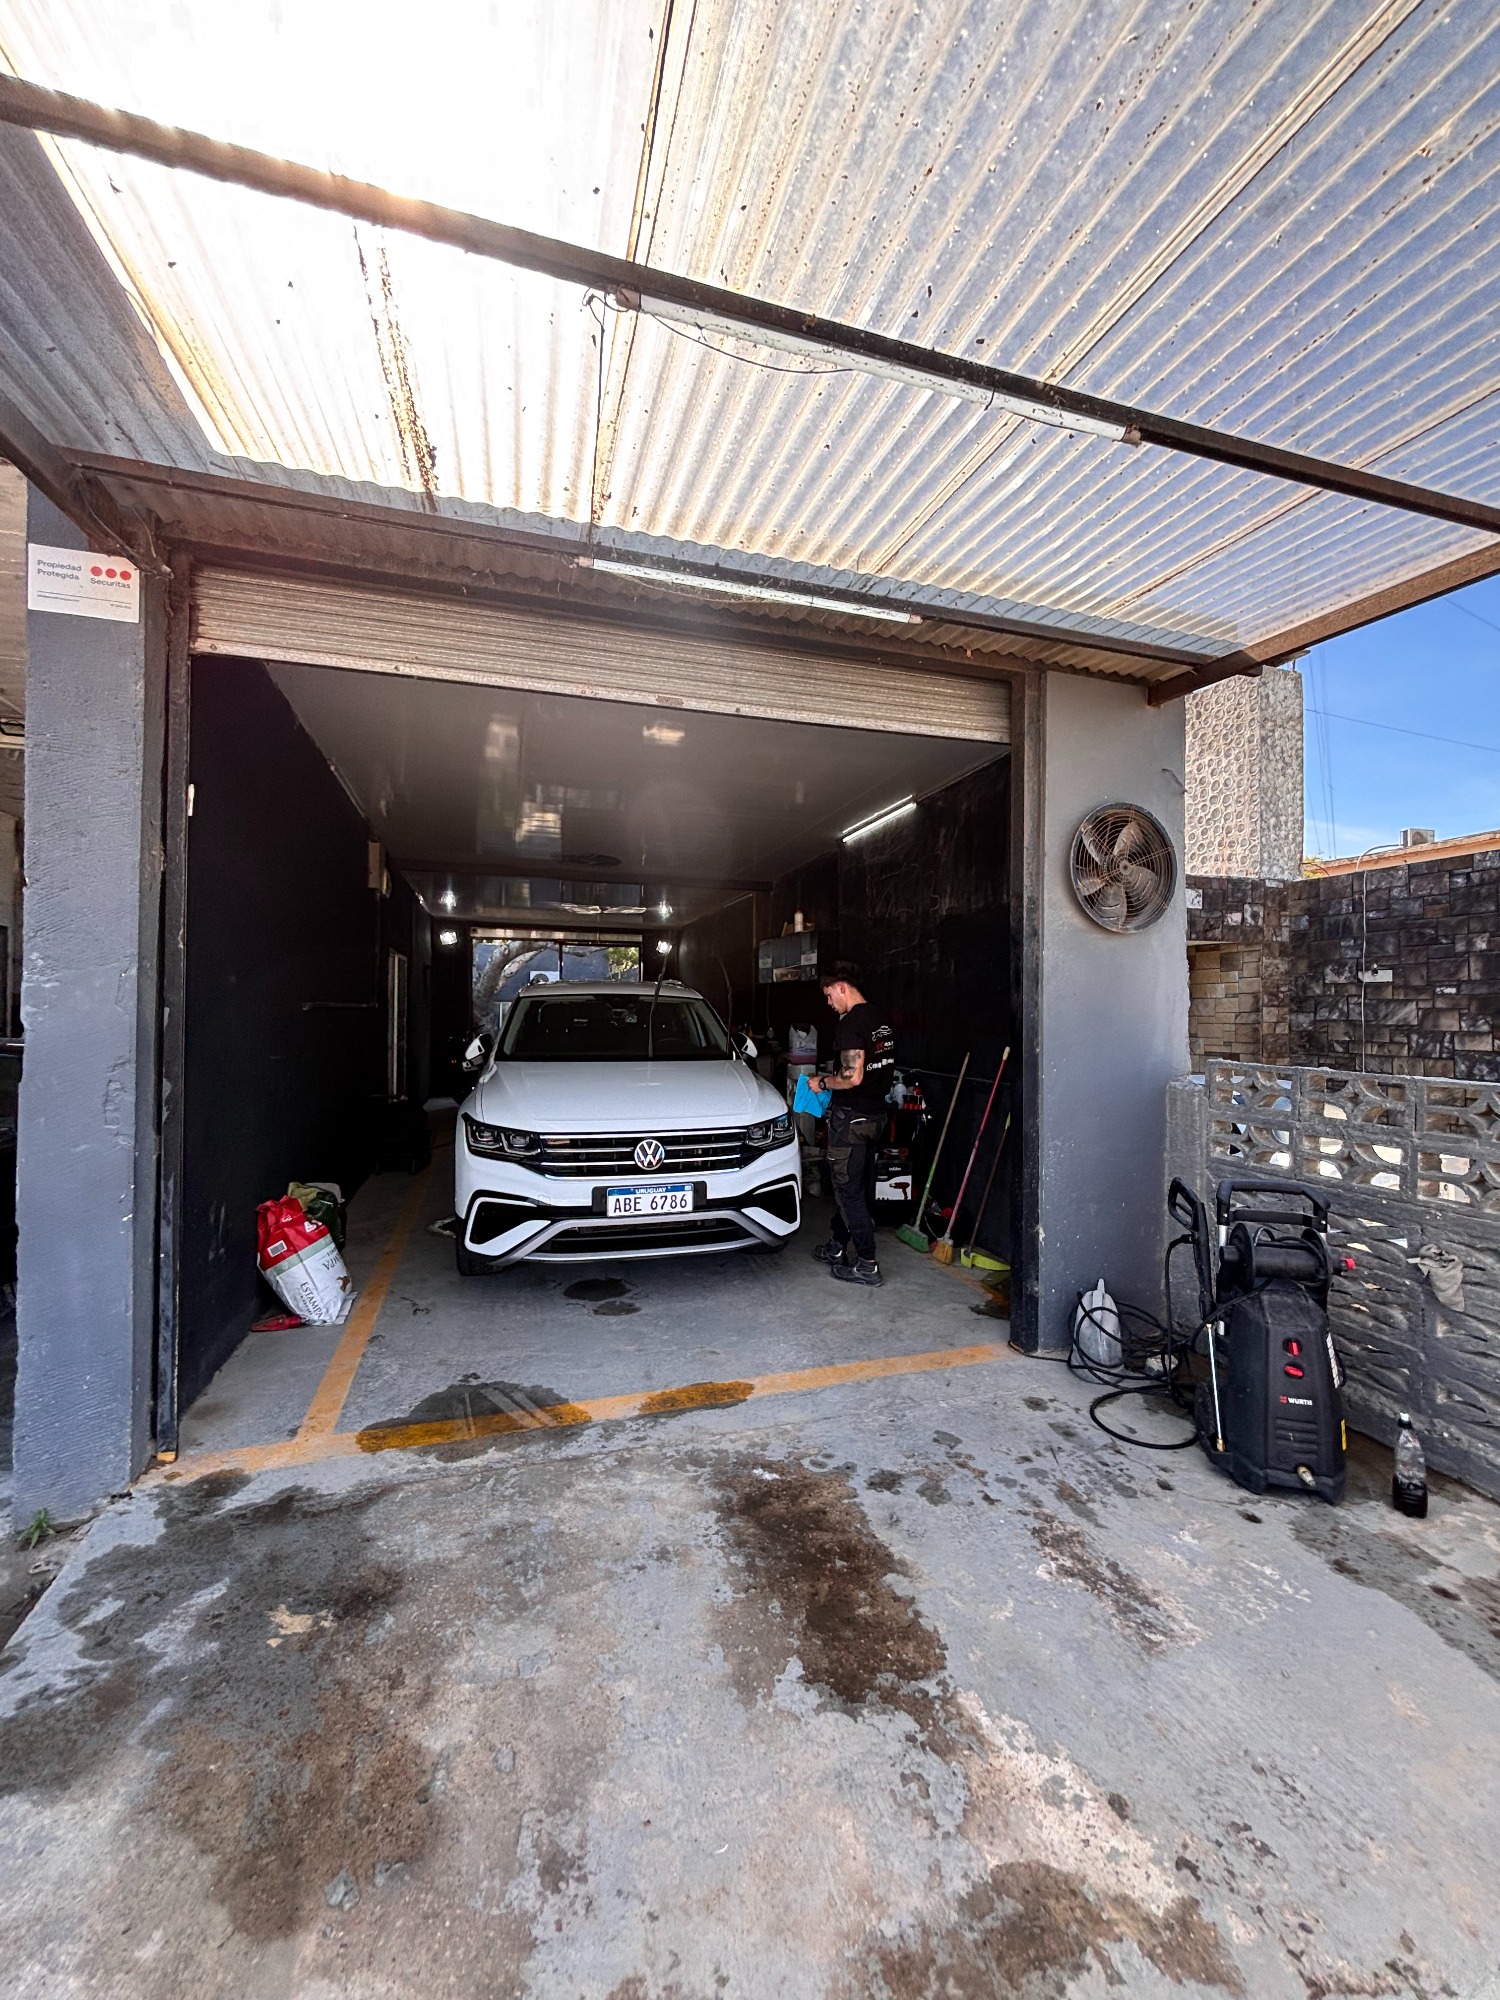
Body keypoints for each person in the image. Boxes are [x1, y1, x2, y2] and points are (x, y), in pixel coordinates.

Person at [807, 962, 894, 1287]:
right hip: (876, 1117)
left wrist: (823, 1083)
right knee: (856, 1189)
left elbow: (852, 1076)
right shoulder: (878, 1019)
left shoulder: (851, 1025)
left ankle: (867, 1264)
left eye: (829, 996)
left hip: (852, 1119)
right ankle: (836, 1246)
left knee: (847, 1193)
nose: (829, 1004)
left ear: (841, 987)